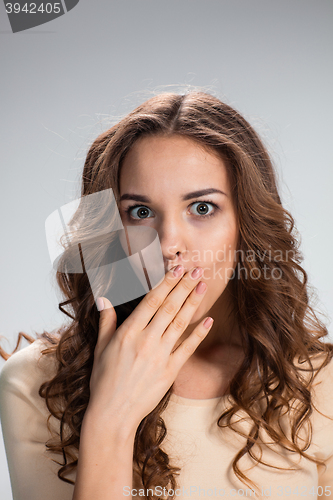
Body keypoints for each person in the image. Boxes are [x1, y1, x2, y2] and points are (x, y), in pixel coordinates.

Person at [1, 91, 333, 500]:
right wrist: (109, 420)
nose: (167, 244)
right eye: (140, 213)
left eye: (202, 208)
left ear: (245, 223)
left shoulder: (319, 384)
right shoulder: (34, 383)